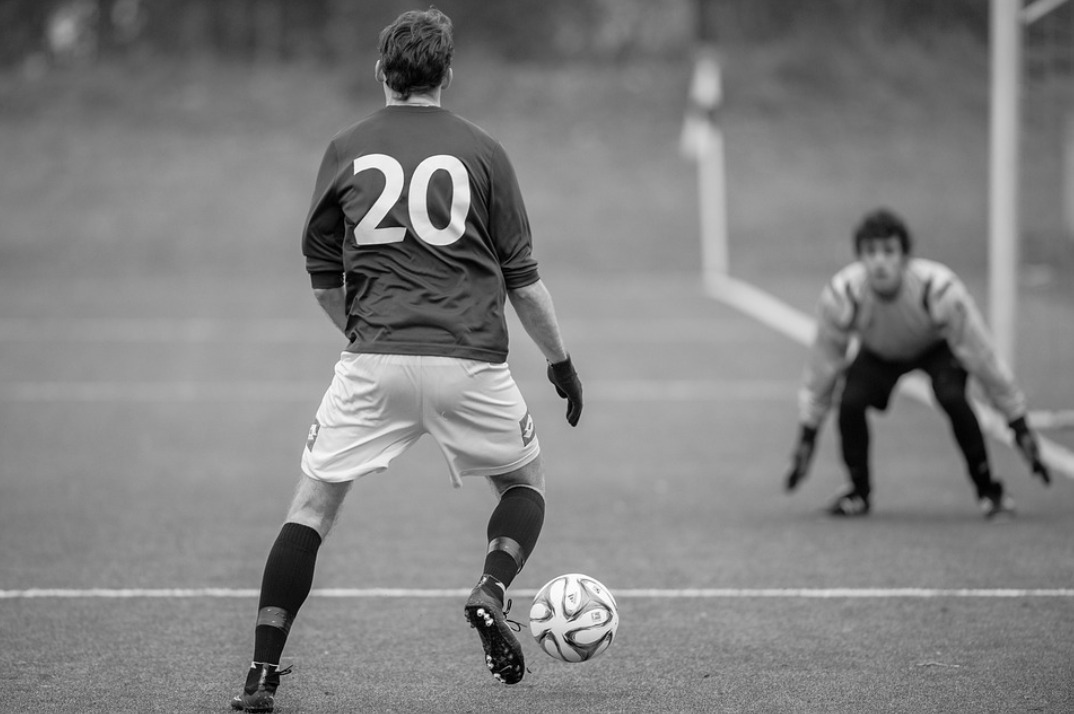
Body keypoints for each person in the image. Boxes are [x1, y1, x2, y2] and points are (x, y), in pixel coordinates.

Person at [230, 8, 583, 712]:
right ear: (448, 73)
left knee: (310, 509)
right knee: (525, 485)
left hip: (376, 360)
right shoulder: (485, 152)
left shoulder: (346, 148)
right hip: (470, 362)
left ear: (380, 72)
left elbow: (323, 276)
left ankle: (261, 675)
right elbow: (523, 282)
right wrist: (560, 361)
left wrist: (362, 332)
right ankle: (491, 587)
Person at [783, 208, 1050, 518]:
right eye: (871, 252)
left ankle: (990, 491)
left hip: (934, 349)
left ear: (905, 256)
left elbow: (982, 358)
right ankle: (858, 493)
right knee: (850, 402)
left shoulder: (939, 291)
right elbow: (824, 367)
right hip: (879, 353)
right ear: (859, 258)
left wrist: (1019, 426)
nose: (880, 261)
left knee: (951, 396)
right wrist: (807, 438)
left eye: (889, 251)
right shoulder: (842, 297)